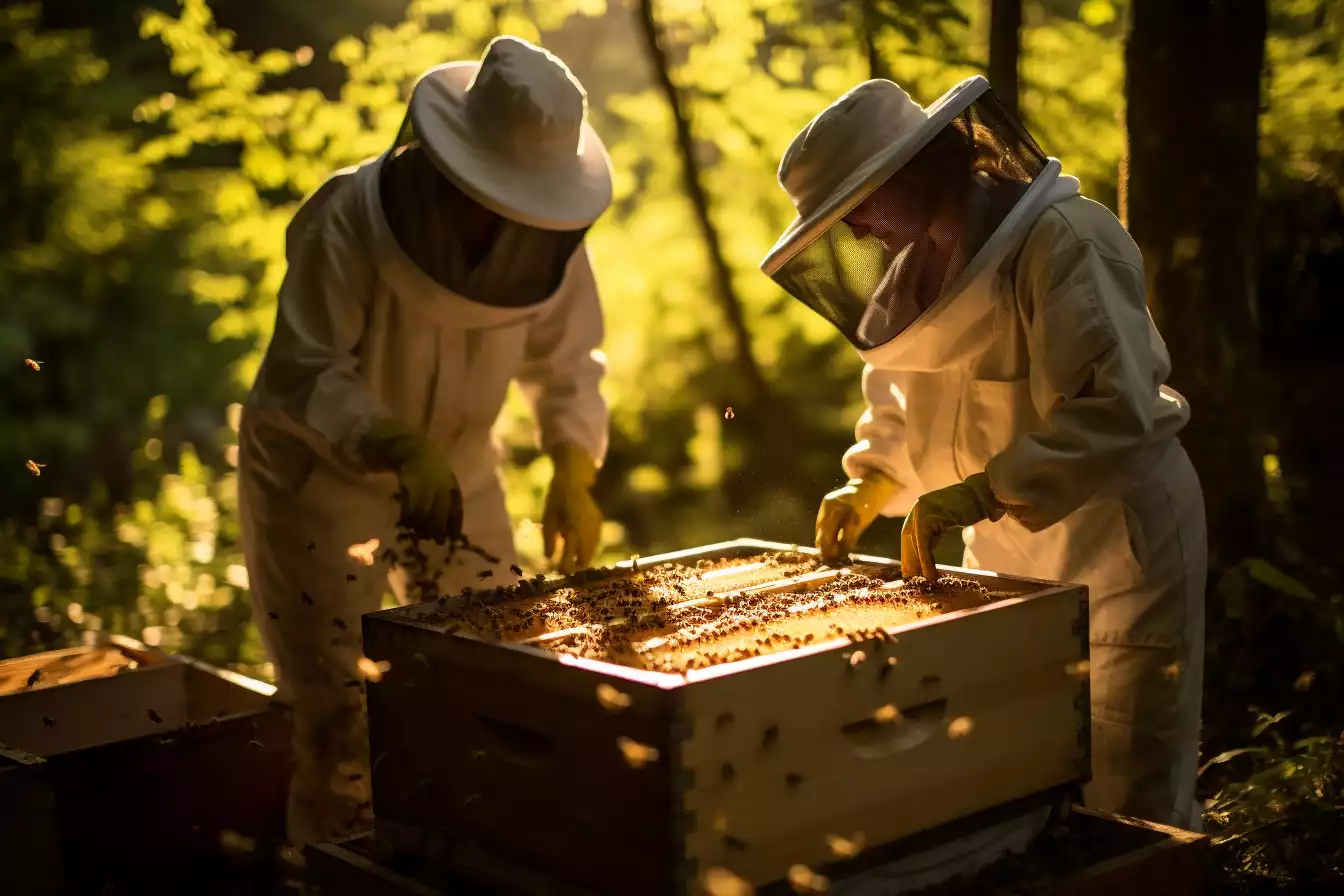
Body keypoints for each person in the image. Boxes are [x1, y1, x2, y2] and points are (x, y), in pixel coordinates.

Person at [763, 76, 1207, 831]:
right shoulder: (908, 280)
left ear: (915, 169)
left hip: (1116, 551)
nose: (859, 233)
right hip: (1001, 556)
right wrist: (873, 478)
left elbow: (1116, 408)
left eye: (858, 206)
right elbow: (901, 402)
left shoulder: (1067, 241)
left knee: (1130, 790)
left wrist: (983, 489)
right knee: (1012, 779)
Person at [237, 36, 612, 846]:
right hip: (320, 473)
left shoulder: (548, 239)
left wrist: (572, 471)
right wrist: (396, 444)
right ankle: (333, 867)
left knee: (500, 674)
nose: (505, 215)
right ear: (449, 165)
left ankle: (470, 858)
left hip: (463, 466)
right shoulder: (345, 217)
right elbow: (307, 370)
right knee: (336, 710)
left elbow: (571, 368)